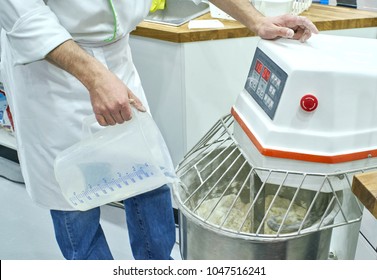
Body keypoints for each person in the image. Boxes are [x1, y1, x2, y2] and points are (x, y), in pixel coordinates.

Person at [0, 0, 318, 260]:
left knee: (149, 180)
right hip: (52, 71)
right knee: (75, 199)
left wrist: (256, 20)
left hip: (116, 57)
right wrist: (95, 78)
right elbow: (25, 15)